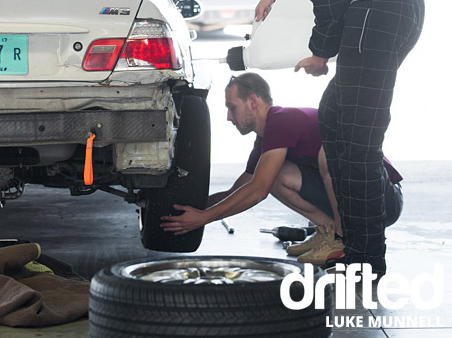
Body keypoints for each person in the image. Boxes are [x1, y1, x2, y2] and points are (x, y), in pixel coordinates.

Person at [252, 0, 423, 276]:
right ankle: (351, 235)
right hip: (397, 10)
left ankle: (366, 255)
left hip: (375, 16)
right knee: (335, 121)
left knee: (356, 141)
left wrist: (319, 52)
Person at [160, 73, 403, 266]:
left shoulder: (282, 120)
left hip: (380, 199)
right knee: (269, 174)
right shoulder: (267, 138)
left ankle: (341, 239)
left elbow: (258, 191)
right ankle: (329, 230)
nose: (228, 117)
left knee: (321, 156)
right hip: (360, 203)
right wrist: (190, 208)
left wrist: (203, 219)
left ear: (253, 101)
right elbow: (241, 189)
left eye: (232, 107)